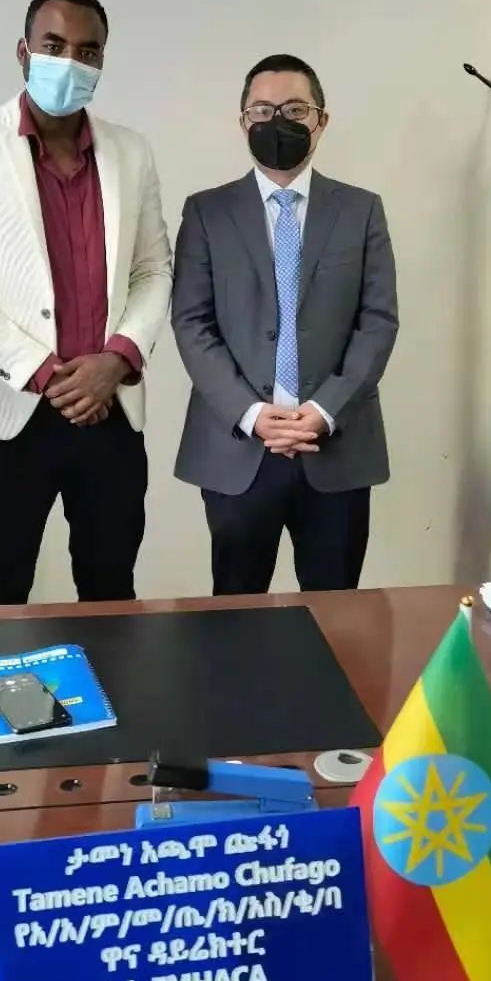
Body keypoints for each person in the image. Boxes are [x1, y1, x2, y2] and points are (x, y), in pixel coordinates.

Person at [0, 0, 172, 604]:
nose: (69, 62)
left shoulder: (131, 150)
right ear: (23, 52)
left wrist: (117, 359)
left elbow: (153, 270)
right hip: (9, 413)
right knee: (0, 591)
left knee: (111, 590)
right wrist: (44, 372)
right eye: (54, 46)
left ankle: (109, 679)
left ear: (102, 62)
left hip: (109, 411)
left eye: (87, 52)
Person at [171, 54, 398, 595]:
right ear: (243, 121)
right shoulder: (206, 212)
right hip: (239, 446)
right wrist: (253, 414)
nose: (278, 122)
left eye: (295, 109)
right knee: (236, 613)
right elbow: (192, 322)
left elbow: (378, 321)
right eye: (262, 110)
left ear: (321, 120)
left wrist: (323, 411)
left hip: (336, 446)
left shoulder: (361, 210)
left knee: (336, 614)